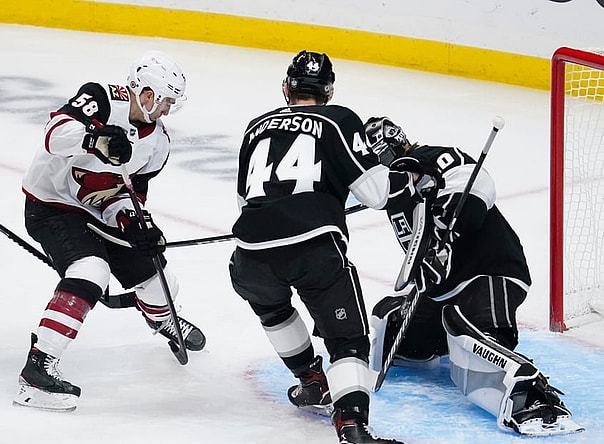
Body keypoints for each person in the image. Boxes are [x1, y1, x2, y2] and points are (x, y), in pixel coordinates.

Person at [227, 51, 428, 444]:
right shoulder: (339, 119)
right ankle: (351, 424)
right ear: (328, 92)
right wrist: (409, 175)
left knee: (273, 309)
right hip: (313, 248)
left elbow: (243, 202)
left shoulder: (255, 128)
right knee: (347, 341)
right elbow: (376, 193)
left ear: (286, 88)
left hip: (248, 253)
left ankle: (311, 381)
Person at [363, 117, 584, 436]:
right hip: (445, 290)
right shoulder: (393, 198)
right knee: (396, 333)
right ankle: (447, 341)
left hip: (490, 270)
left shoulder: (432, 159)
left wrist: (450, 223)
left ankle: (533, 398)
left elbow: (476, 185)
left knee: (480, 339)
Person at [15, 50, 206, 411]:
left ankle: (161, 318)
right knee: (91, 270)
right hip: (51, 205)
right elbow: (54, 135)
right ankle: (37, 368)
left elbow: (126, 194)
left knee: (159, 280)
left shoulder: (159, 144)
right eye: (166, 101)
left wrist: (134, 225)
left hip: (97, 212)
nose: (167, 110)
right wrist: (95, 139)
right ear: (147, 94)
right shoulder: (101, 98)